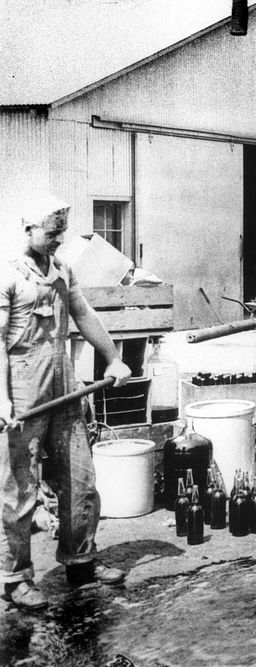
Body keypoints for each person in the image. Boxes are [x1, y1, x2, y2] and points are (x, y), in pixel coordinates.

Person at [0, 195, 132, 611]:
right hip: (23, 392)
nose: (58, 240)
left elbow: (85, 315)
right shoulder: (8, 276)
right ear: (28, 228)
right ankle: (15, 578)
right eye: (51, 232)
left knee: (79, 477)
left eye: (61, 232)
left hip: (63, 386)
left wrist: (113, 359)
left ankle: (81, 562)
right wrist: (1, 399)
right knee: (18, 490)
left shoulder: (62, 271)